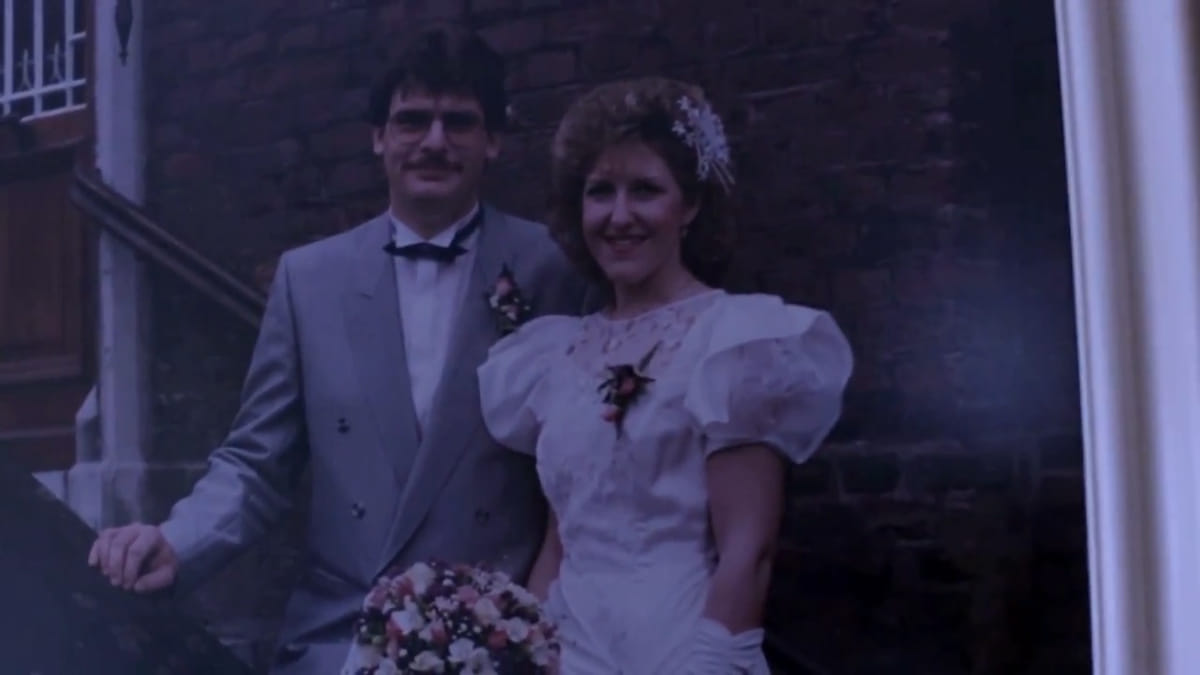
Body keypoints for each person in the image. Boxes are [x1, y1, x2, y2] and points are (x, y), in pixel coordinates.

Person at [87, 24, 590, 675]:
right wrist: (176, 541)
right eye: (412, 120)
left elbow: (581, 469)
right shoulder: (309, 280)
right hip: (345, 635)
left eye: (460, 122)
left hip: (498, 639)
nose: (435, 142)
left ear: (493, 140)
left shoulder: (550, 268)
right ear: (378, 137)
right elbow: (256, 464)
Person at [476, 77, 854, 674]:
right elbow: (561, 538)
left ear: (691, 206)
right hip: (570, 648)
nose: (619, 215)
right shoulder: (553, 352)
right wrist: (527, 651)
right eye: (601, 192)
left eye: (646, 190)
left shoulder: (733, 340)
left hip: (678, 645)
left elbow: (747, 550)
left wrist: (711, 664)